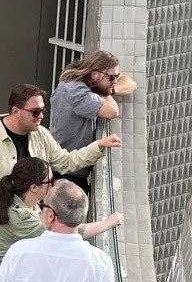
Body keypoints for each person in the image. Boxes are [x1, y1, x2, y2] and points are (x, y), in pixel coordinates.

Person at [0, 83, 118, 282]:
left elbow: (66, 162)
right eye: (35, 112)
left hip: (29, 221)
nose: (41, 116)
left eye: (43, 111)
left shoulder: (41, 135)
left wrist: (98, 147)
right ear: (16, 111)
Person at [0, 157, 122, 268]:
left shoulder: (24, 199)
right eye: (50, 181)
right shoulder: (20, 218)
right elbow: (71, 230)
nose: (53, 185)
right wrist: (108, 223)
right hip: (11, 277)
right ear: (34, 187)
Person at [49, 51, 136, 186]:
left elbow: (131, 83)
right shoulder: (76, 92)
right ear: (95, 74)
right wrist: (106, 92)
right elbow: (112, 111)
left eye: (116, 77)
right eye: (112, 78)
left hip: (74, 167)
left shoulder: (87, 82)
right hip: (67, 171)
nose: (115, 81)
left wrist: (110, 88)